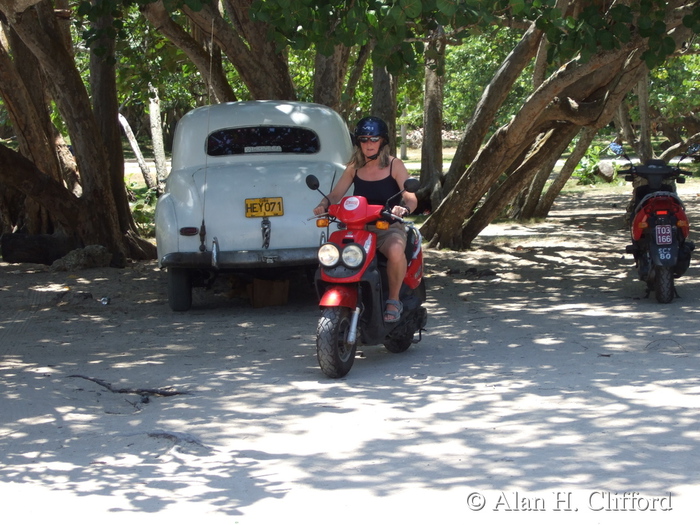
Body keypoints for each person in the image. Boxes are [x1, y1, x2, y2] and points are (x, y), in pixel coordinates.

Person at [313, 116, 418, 323]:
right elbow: (336, 195)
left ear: (383, 141)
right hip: (358, 228)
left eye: (373, 139)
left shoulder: (394, 165)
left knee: (396, 249)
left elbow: (411, 197)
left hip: (387, 227)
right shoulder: (354, 166)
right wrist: (324, 205)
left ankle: (394, 300)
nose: (368, 144)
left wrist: (403, 208)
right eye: (363, 139)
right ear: (358, 142)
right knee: (331, 253)